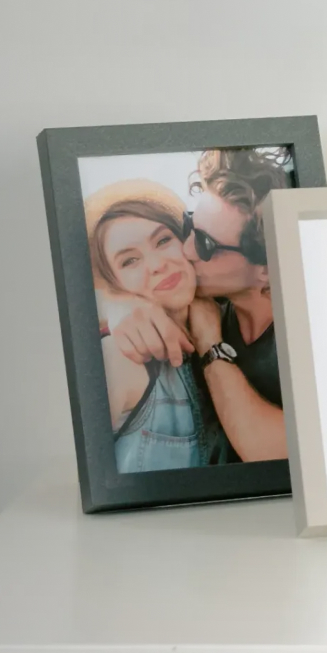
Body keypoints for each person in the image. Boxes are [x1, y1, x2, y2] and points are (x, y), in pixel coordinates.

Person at [111, 148, 290, 461]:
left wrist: (211, 344)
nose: (187, 249)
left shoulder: (305, 333)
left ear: (267, 267)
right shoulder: (198, 297)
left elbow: (277, 450)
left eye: (206, 245)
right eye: (189, 226)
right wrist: (119, 308)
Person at [85, 179, 231, 472]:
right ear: (115, 284)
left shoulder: (228, 315)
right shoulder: (120, 358)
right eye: (129, 261)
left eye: (163, 241)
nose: (156, 265)